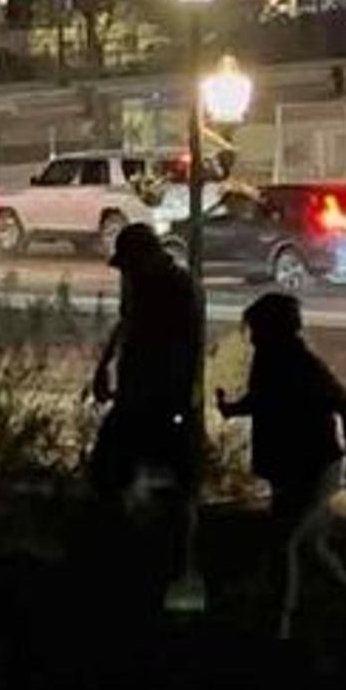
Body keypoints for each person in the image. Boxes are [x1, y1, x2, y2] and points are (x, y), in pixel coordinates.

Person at [216, 293, 346, 639]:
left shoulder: (301, 364)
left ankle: (278, 626)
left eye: (256, 328)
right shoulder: (270, 359)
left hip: (314, 467)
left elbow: (345, 406)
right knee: (310, 546)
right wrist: (233, 408)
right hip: (293, 467)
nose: (252, 336)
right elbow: (263, 401)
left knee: (282, 542)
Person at [88, 223, 204, 612]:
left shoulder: (180, 289)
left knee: (180, 491)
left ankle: (178, 571)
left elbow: (186, 353)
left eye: (129, 266)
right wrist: (104, 366)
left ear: (148, 257)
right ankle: (129, 557)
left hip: (169, 404)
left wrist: (175, 407)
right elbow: (125, 323)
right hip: (134, 397)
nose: (125, 274)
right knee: (108, 475)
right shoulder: (138, 281)